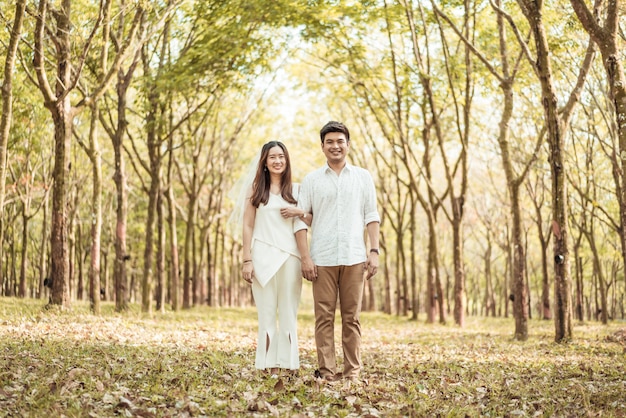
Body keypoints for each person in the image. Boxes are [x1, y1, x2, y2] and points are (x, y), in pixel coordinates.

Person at [295, 121, 380, 384]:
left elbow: (371, 215)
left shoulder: (363, 177)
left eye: (340, 141)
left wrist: (374, 250)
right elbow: (300, 221)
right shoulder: (311, 180)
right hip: (322, 259)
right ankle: (327, 372)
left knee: (352, 319)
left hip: (355, 257)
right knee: (324, 318)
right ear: (322, 146)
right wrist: (305, 258)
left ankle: (352, 372)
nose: (335, 146)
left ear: (348, 144)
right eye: (329, 141)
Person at [241, 141, 312, 373]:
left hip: (290, 257)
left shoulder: (298, 190)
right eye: (272, 157)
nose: (277, 161)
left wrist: (298, 211)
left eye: (281, 156)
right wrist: (247, 259)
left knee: (289, 312)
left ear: (287, 159)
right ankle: (267, 364)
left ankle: (289, 364)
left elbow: (312, 220)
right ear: (264, 161)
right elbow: (248, 226)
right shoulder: (255, 191)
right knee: (267, 312)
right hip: (262, 256)